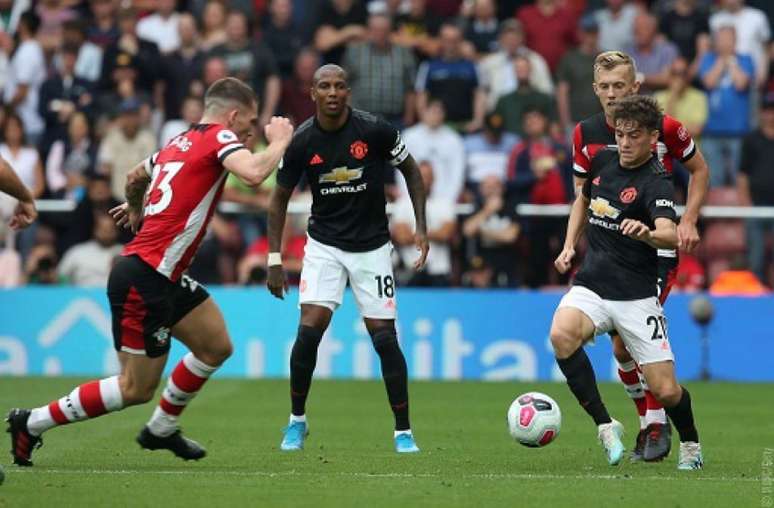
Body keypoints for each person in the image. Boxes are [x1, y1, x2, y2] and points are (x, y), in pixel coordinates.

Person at [6, 77, 294, 466]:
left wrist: (136, 207)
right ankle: (31, 422)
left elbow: (133, 177)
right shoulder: (221, 139)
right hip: (145, 276)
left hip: (163, 273)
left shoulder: (177, 143)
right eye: (252, 121)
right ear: (233, 115)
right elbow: (256, 173)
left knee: (215, 346)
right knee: (134, 387)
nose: (253, 129)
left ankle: (161, 427)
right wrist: (280, 139)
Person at [266, 64, 428, 454]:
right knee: (309, 331)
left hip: (372, 248)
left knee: (385, 338)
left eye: (340, 85)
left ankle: (403, 431)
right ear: (313, 93)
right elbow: (278, 199)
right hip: (324, 246)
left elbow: (413, 172)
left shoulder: (374, 130)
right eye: (325, 86)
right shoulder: (303, 140)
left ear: (348, 92)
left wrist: (420, 226)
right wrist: (274, 258)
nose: (333, 92)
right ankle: (296, 422)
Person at [572, 51, 709, 462]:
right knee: (618, 348)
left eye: (620, 86)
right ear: (595, 90)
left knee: (620, 347)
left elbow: (700, 171)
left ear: (635, 86)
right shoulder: (586, 134)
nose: (613, 94)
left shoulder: (664, 127)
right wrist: (571, 243)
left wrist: (688, 221)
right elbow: (581, 195)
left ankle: (657, 422)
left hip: (654, 249)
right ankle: (652, 423)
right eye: (606, 87)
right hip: (609, 251)